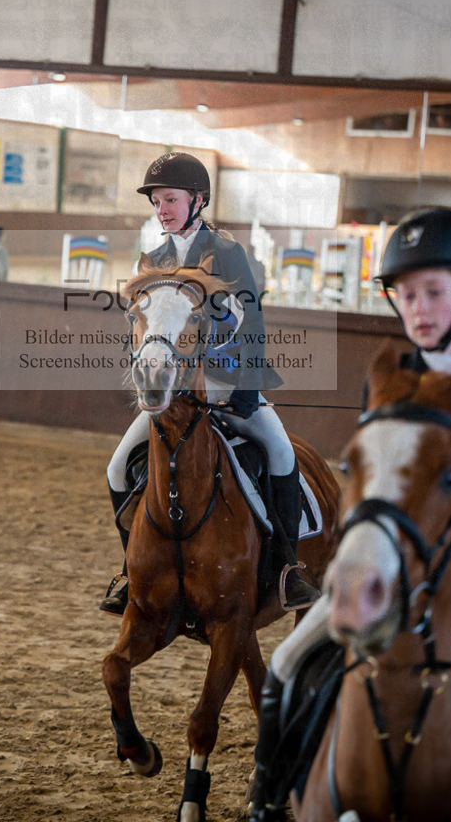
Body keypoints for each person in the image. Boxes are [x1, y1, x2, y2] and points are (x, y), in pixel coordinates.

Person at [250, 206, 451, 819]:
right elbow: (370, 490)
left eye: (433, 292)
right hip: (387, 572)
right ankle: (266, 798)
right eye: (406, 295)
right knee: (286, 663)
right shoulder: (389, 378)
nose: (418, 309)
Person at [99, 151, 321, 615]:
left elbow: (252, 323)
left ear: (197, 200)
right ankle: (130, 571)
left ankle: (288, 568)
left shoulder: (229, 254)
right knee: (117, 467)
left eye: (170, 199)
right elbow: (139, 324)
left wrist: (244, 389)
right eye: (156, 201)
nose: (162, 209)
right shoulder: (155, 259)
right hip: (174, 394)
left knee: (281, 453)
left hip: (228, 384)